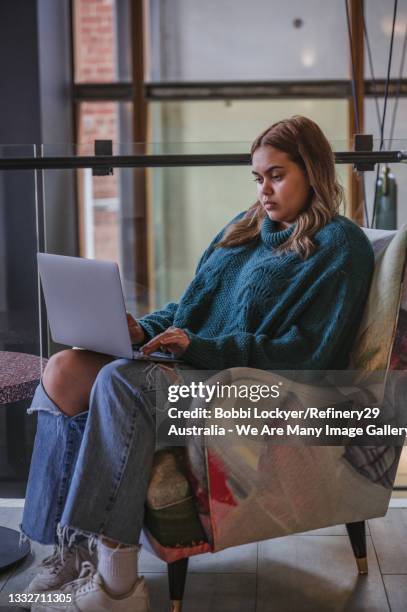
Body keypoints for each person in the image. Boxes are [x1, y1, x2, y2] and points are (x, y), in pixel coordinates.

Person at [22, 115, 374, 611]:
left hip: (243, 386)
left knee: (123, 382)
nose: (265, 191)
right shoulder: (244, 227)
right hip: (189, 364)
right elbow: (191, 309)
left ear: (313, 171)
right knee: (65, 369)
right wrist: (144, 329)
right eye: (258, 178)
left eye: (277, 175)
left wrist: (200, 347)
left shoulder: (341, 246)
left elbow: (310, 353)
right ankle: (64, 550)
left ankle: (118, 584)